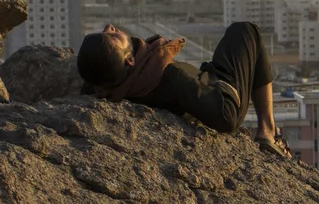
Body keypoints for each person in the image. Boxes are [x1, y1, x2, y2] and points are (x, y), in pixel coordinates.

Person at [76, 21, 290, 156]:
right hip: (221, 92)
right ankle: (268, 131)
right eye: (112, 37)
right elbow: (227, 118)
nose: (110, 27)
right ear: (130, 60)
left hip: (204, 81)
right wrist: (219, 88)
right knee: (245, 31)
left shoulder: (108, 84)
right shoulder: (168, 76)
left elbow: (94, 73)